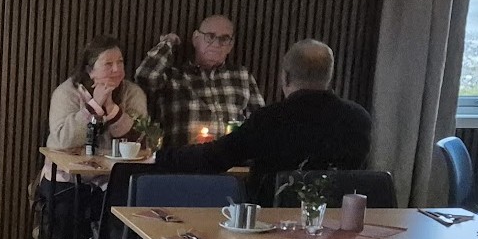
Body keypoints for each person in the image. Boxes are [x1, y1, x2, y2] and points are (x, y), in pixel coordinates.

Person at [157, 39, 371, 204]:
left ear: (285, 77)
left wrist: (161, 158)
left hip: (270, 231)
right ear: (329, 76)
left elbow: (215, 157)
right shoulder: (358, 118)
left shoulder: (271, 119)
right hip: (337, 233)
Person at [38, 35, 148, 239]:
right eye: (108, 64)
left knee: (129, 200)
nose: (116, 69)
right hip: (66, 174)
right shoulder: (67, 92)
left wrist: (112, 110)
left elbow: (140, 138)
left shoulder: (132, 93)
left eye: (120, 62)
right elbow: (62, 139)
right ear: (90, 70)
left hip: (112, 175)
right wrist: (94, 106)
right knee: (70, 202)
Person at [135, 14, 265, 148]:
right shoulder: (174, 75)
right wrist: (167, 44)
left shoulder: (242, 75)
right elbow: (145, 77)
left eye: (224, 39)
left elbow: (262, 121)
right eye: (210, 36)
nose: (216, 44)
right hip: (183, 157)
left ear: (230, 45)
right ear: (196, 39)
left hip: (232, 158)